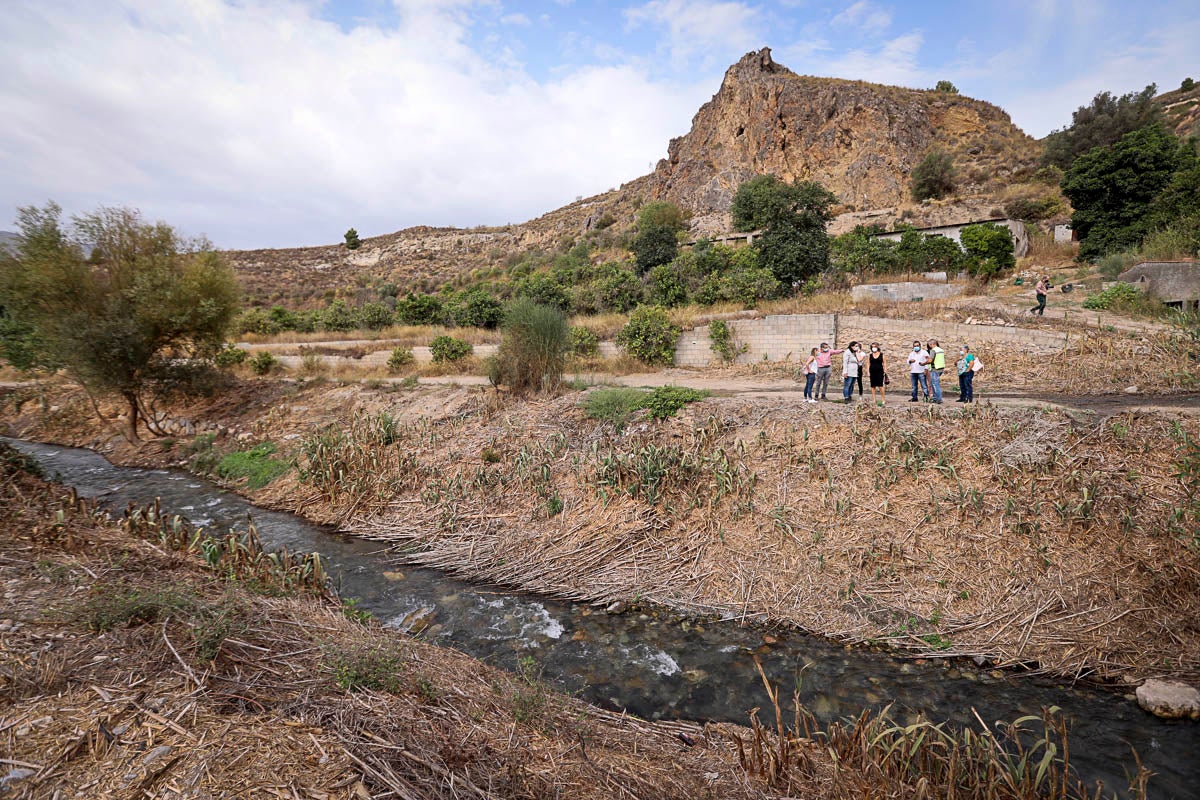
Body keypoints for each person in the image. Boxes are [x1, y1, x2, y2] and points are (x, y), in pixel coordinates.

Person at [926, 339, 945, 405]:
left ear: (931, 344)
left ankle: (938, 399)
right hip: (940, 368)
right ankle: (934, 398)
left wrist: (924, 362)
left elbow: (930, 360)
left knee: (935, 384)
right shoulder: (941, 350)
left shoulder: (933, 350)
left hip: (935, 369)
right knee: (934, 383)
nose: (929, 346)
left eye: (929, 345)